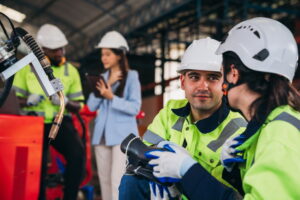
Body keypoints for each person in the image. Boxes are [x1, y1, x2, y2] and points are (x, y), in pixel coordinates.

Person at [146, 17, 300, 200]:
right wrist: (234, 173)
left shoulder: (279, 136)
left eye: (219, 73)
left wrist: (189, 172)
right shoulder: (273, 125)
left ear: (233, 73)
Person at [119, 37, 247, 200]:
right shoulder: (170, 112)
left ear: (225, 82)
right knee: (131, 180)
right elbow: (142, 158)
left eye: (213, 77)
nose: (203, 86)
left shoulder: (239, 130)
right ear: (182, 81)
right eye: (194, 77)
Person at [13, 24, 85, 200]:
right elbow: (14, 100)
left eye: (61, 48)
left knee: (77, 154)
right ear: (42, 50)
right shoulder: (25, 69)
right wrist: (28, 100)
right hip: (33, 123)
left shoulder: (71, 71)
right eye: (54, 50)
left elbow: (79, 105)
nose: (59, 53)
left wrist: (65, 102)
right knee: (36, 165)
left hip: (60, 121)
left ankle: (70, 197)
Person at [87, 30, 141, 200]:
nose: (104, 58)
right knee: (104, 182)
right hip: (101, 137)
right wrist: (107, 84)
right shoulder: (102, 78)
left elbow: (134, 108)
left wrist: (112, 97)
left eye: (108, 54)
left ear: (119, 55)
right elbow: (90, 105)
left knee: (118, 181)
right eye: (102, 54)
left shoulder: (132, 76)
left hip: (122, 137)